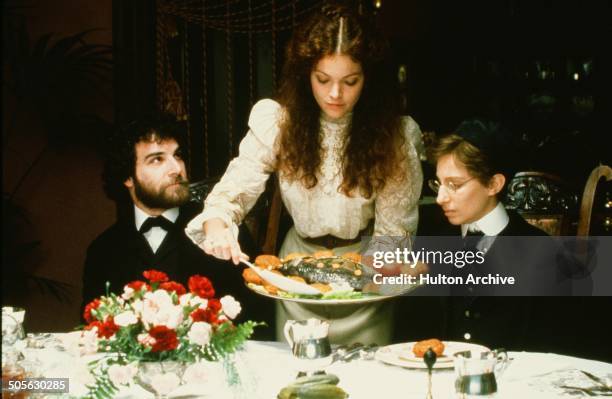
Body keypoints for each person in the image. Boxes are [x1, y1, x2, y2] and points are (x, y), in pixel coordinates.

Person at [185, 2, 423, 344]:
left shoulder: (394, 137)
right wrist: (217, 225)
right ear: (305, 74)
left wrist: (366, 278)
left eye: (350, 81)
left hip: (365, 277)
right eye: (322, 79)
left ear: (368, 79)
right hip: (293, 280)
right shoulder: (278, 122)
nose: (335, 94)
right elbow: (234, 190)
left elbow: (393, 232)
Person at [81, 118, 268, 329]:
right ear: (128, 177)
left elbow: (259, 321)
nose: (176, 168)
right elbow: (94, 332)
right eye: (156, 160)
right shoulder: (103, 250)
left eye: (177, 156)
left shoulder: (219, 228)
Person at [419, 118, 570, 350]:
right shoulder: (432, 241)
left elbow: (553, 343)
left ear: (494, 184)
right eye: (438, 184)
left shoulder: (541, 251)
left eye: (455, 185)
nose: (440, 198)